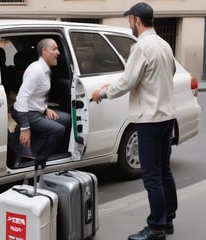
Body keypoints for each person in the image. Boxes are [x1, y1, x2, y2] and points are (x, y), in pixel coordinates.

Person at [91, 2, 177, 240]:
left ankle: (156, 227)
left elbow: (129, 81)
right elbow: (158, 76)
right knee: (164, 171)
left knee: (151, 175)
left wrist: (103, 93)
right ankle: (167, 219)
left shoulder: (141, 47)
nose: (128, 24)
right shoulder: (164, 45)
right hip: (166, 116)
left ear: (137, 20)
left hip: (149, 119)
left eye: (129, 20)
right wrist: (115, 85)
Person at [12, 38, 71, 167]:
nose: (58, 53)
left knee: (66, 119)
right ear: (44, 51)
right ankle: (38, 159)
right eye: (54, 49)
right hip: (26, 113)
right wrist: (25, 127)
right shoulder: (36, 71)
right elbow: (22, 98)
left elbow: (37, 96)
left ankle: (36, 146)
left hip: (37, 111)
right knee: (58, 130)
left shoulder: (45, 69)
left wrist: (45, 109)